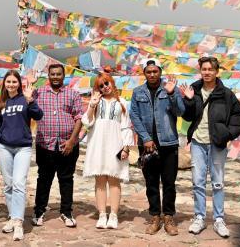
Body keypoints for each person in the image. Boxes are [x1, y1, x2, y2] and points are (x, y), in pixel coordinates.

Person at [181, 56, 240, 238]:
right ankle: (199, 217)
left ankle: (218, 219)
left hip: (217, 144)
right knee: (198, 182)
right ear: (200, 71)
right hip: (197, 142)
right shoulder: (194, 90)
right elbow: (187, 116)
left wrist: (227, 134)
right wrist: (189, 100)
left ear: (216, 71)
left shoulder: (226, 94)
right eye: (204, 69)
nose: (207, 72)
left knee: (217, 183)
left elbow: (238, 117)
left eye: (210, 69)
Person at [129, 58, 184, 235]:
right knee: (151, 183)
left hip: (168, 143)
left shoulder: (170, 89)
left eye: (155, 71)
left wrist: (172, 94)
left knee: (169, 183)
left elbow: (180, 111)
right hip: (147, 146)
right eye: (149, 72)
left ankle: (168, 217)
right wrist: (145, 138)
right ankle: (154, 216)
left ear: (160, 72)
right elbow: (134, 115)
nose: (152, 74)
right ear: (144, 73)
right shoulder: (138, 92)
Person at [0, 70, 43, 241]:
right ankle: (12, 217)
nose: (11, 85)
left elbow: (38, 115)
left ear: (19, 84)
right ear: (4, 84)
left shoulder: (25, 99)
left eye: (14, 82)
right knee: (8, 185)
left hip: (23, 147)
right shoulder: (1, 104)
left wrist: (31, 100)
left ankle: (18, 223)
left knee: (19, 184)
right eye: (8, 82)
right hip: (3, 147)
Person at [32, 64, 83, 228]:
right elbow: (26, 101)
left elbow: (79, 118)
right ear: (48, 75)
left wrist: (72, 141)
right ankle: (39, 212)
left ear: (63, 75)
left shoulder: (73, 94)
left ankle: (66, 212)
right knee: (43, 179)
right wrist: (31, 83)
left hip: (67, 145)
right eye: (52, 74)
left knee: (66, 179)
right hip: (44, 144)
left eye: (58, 74)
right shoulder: (38, 93)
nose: (55, 77)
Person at [82, 73, 133, 230]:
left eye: (107, 83)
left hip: (115, 144)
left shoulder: (122, 102)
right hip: (98, 144)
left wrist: (126, 147)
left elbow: (126, 126)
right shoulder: (96, 102)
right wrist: (92, 105)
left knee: (114, 180)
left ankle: (114, 215)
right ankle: (102, 214)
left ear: (112, 82)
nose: (105, 87)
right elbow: (87, 122)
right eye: (101, 86)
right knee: (100, 180)